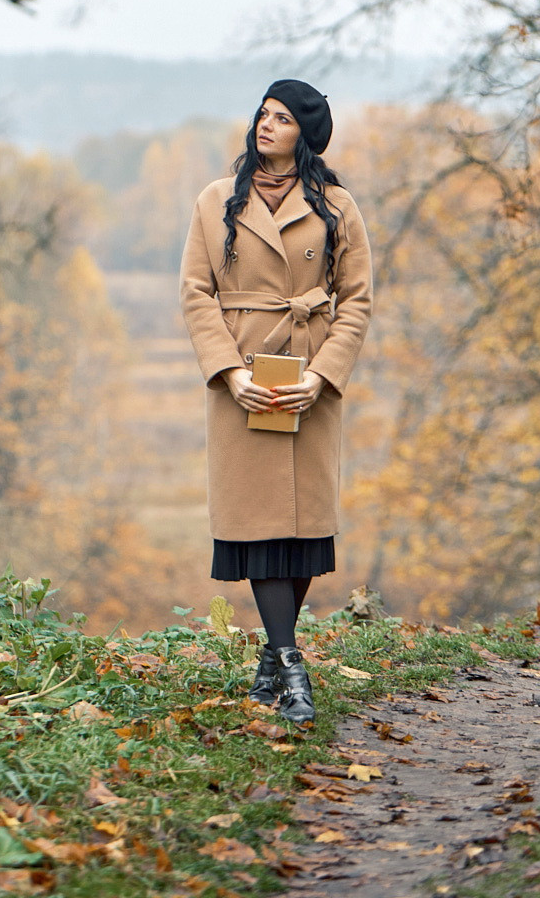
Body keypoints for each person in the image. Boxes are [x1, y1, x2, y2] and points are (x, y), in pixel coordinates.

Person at [179, 79, 373, 724]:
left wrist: (323, 374)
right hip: (245, 379)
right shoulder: (216, 201)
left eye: (283, 118)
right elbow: (196, 292)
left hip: (307, 377)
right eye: (263, 114)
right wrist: (229, 373)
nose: (266, 126)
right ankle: (291, 667)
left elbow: (358, 299)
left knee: (303, 526)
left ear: (305, 134)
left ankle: (271, 661)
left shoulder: (337, 205)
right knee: (260, 522)